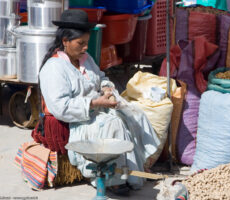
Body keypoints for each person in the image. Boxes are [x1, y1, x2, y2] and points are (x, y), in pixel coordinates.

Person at [38, 9, 160, 195]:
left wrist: (106, 89)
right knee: (113, 123)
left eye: (87, 43)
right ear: (65, 42)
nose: (86, 48)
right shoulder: (54, 68)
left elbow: (101, 77)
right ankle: (114, 179)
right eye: (81, 43)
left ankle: (136, 167)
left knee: (133, 113)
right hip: (76, 121)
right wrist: (95, 103)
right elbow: (60, 108)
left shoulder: (86, 60)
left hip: (97, 110)